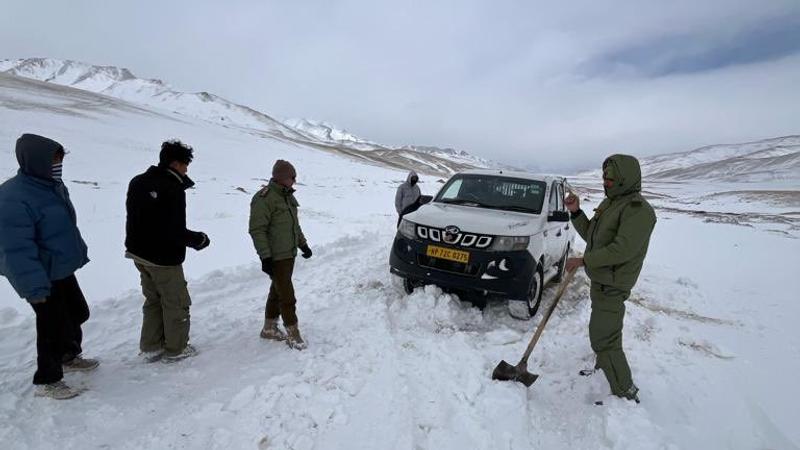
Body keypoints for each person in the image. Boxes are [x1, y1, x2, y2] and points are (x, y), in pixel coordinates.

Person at [0, 134, 98, 400]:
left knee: (78, 311)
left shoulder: (52, 186)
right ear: (36, 161)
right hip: (39, 274)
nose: (58, 165)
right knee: (51, 326)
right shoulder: (12, 197)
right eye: (54, 161)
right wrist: (34, 287)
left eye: (60, 160)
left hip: (61, 268)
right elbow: (14, 249)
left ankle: (68, 355)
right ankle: (48, 380)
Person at [565, 154, 656, 403]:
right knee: (604, 331)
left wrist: (583, 261)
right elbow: (593, 239)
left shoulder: (638, 211)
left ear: (625, 179)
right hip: (602, 280)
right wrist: (576, 213)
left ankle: (625, 391)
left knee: (604, 338)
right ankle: (606, 368)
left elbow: (622, 250)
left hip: (614, 283)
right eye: (605, 178)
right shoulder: (611, 204)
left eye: (611, 179)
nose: (605, 183)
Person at [125, 140, 210, 363]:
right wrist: (197, 239)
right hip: (162, 257)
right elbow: (171, 229)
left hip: (138, 252)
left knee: (153, 299)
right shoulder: (171, 188)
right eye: (184, 164)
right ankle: (177, 348)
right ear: (174, 163)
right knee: (176, 301)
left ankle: (151, 345)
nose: (186, 169)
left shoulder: (138, 181)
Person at [249, 160, 312, 350]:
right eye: (292, 177)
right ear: (283, 178)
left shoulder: (286, 197)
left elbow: (294, 225)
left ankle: (269, 328)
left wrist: (303, 245)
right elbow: (257, 230)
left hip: (288, 254)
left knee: (277, 291)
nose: (295, 180)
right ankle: (293, 333)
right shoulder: (264, 198)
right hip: (276, 256)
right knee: (287, 295)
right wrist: (265, 257)